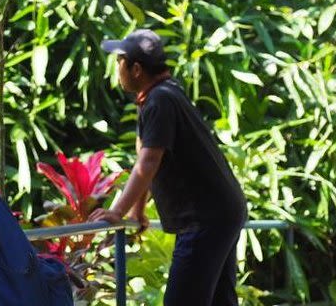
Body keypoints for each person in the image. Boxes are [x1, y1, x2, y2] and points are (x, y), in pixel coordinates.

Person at [88, 29, 247, 306]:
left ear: (136, 69)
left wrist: (117, 211)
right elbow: (148, 162)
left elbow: (149, 162)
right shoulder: (164, 95)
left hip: (204, 219)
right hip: (221, 212)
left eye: (120, 62)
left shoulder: (160, 101)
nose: (117, 69)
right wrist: (138, 212)